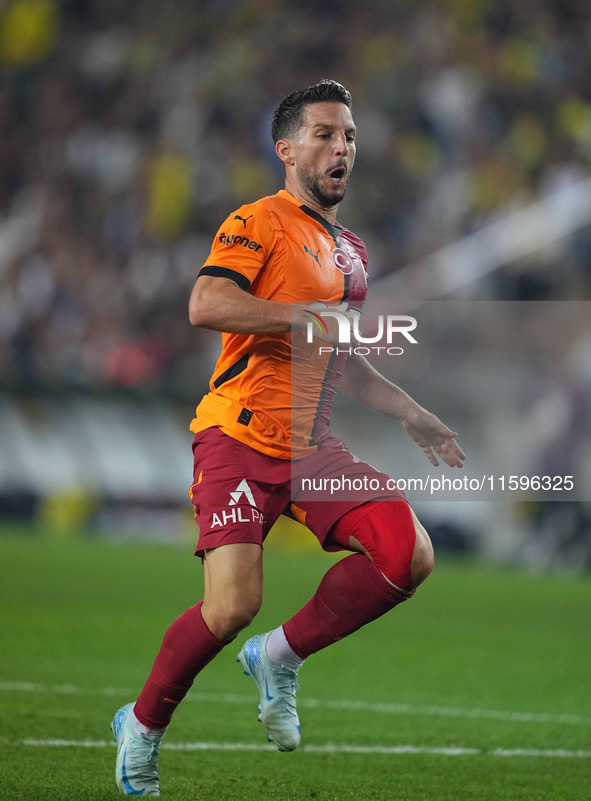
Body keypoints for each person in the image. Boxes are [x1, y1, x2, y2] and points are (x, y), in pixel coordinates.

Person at [111, 79, 466, 796]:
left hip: (312, 447)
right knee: (229, 605)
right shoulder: (257, 221)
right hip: (238, 437)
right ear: (286, 150)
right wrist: (295, 317)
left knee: (408, 554)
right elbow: (206, 302)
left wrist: (407, 408)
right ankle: (141, 727)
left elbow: (337, 351)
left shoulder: (352, 255)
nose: (342, 148)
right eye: (325, 135)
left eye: (350, 137)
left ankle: (278, 656)